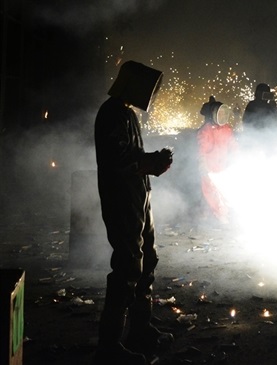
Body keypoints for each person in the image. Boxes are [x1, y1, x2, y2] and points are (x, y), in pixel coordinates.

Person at [93, 61, 174, 365]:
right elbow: (118, 159)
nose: (149, 93)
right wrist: (149, 161)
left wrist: (153, 162)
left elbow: (132, 157)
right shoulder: (111, 113)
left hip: (138, 195)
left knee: (147, 259)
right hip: (121, 198)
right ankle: (109, 347)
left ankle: (140, 330)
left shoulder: (126, 113)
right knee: (127, 266)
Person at [197, 95, 236, 224]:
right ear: (213, 115)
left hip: (222, 166)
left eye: (224, 113)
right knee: (210, 192)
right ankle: (217, 216)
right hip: (209, 167)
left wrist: (236, 157)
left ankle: (214, 214)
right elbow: (201, 150)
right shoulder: (205, 131)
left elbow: (233, 145)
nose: (223, 116)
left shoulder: (227, 129)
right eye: (220, 114)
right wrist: (203, 165)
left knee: (220, 192)